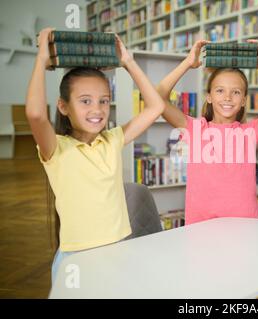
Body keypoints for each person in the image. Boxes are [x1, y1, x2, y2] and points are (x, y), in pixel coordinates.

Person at [25, 28, 166, 284]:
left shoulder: (112, 140)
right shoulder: (56, 149)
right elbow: (35, 115)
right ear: (63, 106)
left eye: (104, 101)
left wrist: (129, 62)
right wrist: (41, 60)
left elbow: (156, 106)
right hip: (78, 261)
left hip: (120, 252)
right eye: (85, 101)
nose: (97, 110)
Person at [156, 39, 258, 225]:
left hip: (243, 225)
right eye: (220, 90)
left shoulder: (251, 131)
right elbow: (158, 98)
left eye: (236, 92)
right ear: (209, 97)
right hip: (200, 225)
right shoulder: (194, 128)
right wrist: (187, 63)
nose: (228, 97)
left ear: (244, 100)